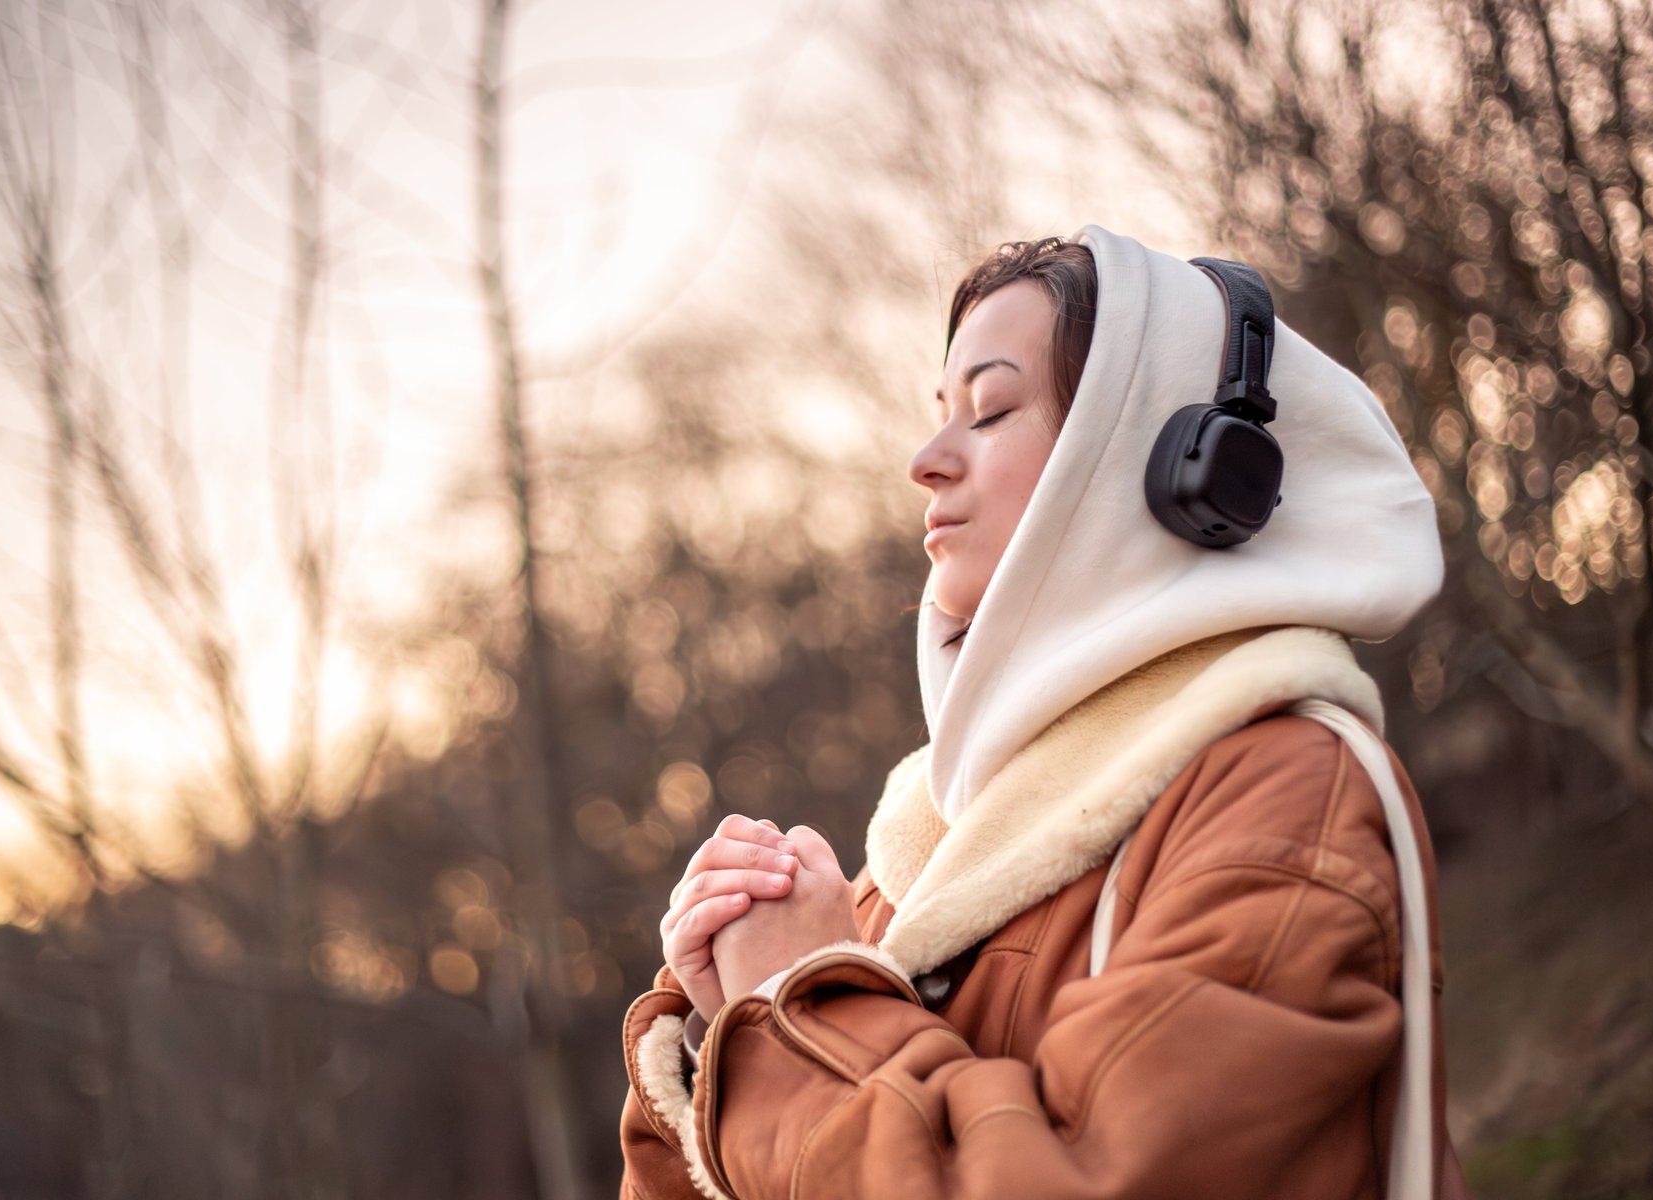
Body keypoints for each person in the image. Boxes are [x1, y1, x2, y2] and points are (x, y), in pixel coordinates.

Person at [616, 226, 1472, 1199]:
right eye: (939, 413)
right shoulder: (924, 838)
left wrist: (800, 1006)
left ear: (1161, 459)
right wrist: (716, 1032)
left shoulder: (1281, 791)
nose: (925, 460)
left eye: (987, 410)